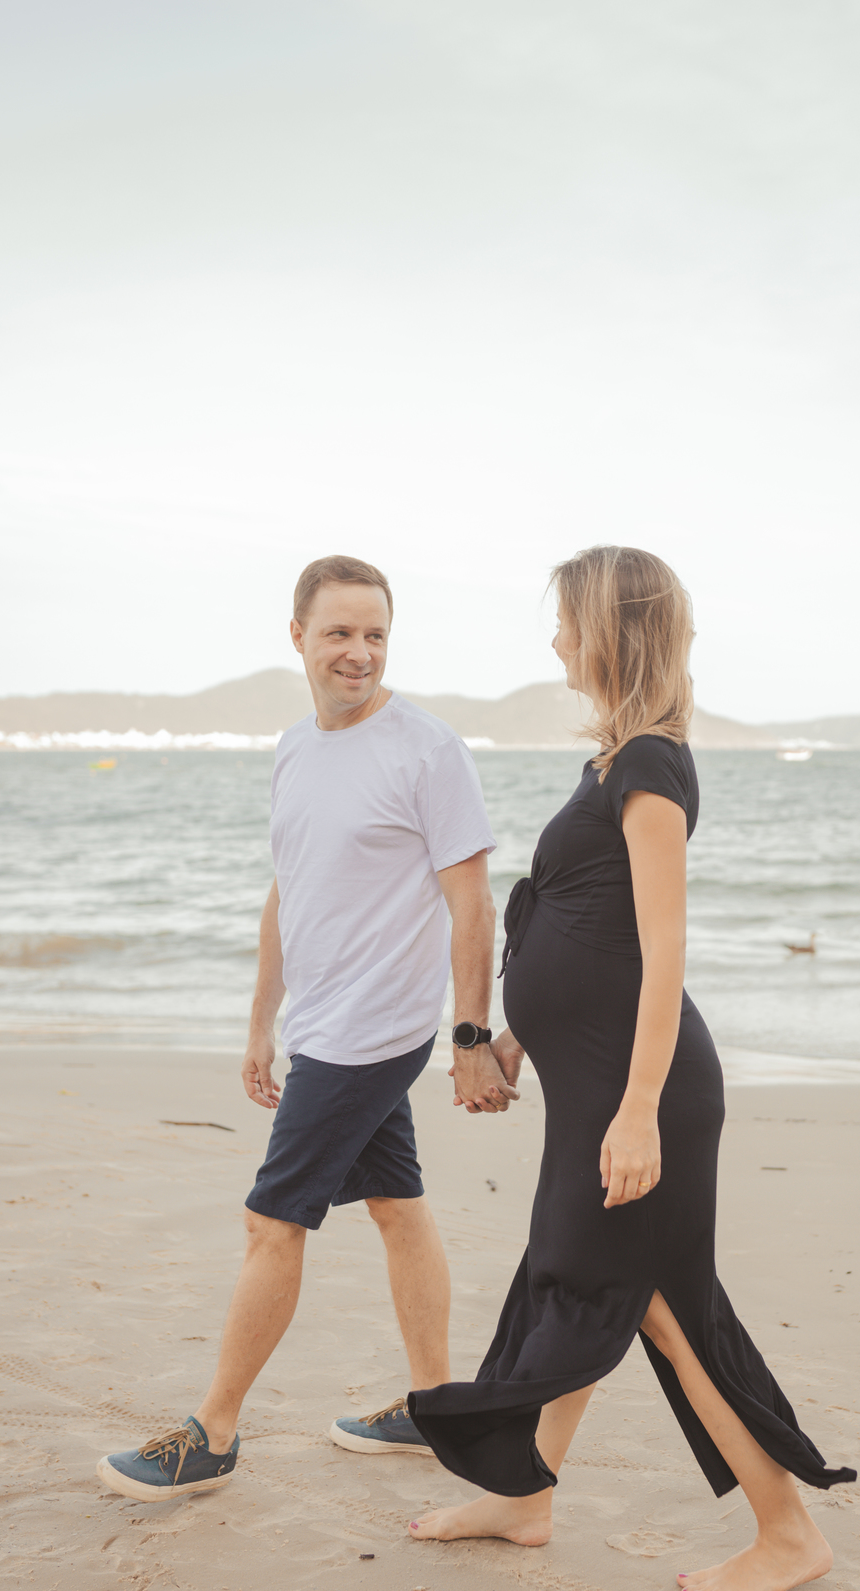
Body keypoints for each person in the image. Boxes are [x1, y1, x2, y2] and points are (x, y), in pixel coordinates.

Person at [406, 545, 856, 1591]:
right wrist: (513, 1043)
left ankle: (788, 1531)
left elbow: (664, 949)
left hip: (644, 1094)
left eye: (567, 620)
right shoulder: (610, 763)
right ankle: (525, 1493)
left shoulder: (652, 765)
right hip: (600, 1086)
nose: (555, 638)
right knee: (577, 1279)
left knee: (654, 1302)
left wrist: (640, 1109)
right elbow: (586, 939)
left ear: (611, 628)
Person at [97, 554, 515, 1502]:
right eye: (339, 632)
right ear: (298, 636)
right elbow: (289, 892)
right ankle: (432, 1404)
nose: (358, 653)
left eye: (375, 634)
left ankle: (214, 1433)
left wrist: (466, 1037)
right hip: (320, 1024)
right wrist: (261, 1022)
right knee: (397, 1205)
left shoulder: (428, 750)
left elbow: (473, 904)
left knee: (270, 1222)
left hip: (375, 1033)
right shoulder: (294, 748)